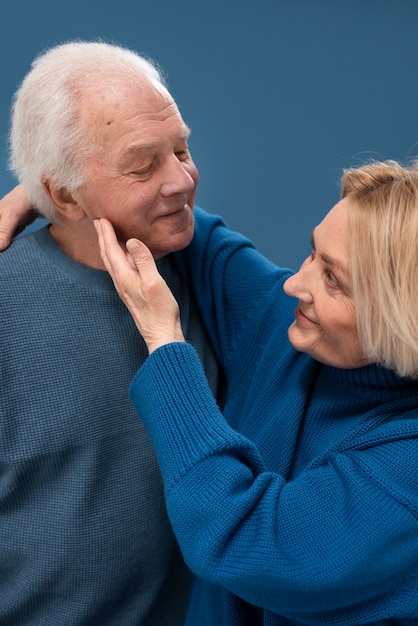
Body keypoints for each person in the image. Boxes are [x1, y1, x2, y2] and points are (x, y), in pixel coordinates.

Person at [93, 159, 418, 625]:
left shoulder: (406, 470)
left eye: (332, 278)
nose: (294, 284)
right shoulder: (290, 323)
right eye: (313, 254)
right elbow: (189, 234)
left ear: (402, 316)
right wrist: (70, 184)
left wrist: (165, 342)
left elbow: (239, 538)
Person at [0, 40, 222, 625]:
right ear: (65, 195)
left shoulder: (203, 268)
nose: (183, 180)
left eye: (182, 148)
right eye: (144, 164)